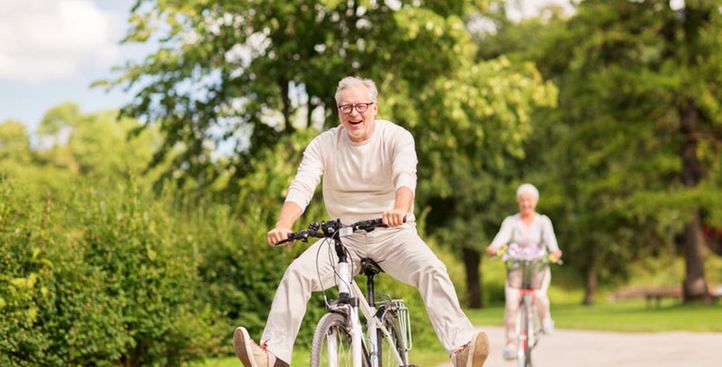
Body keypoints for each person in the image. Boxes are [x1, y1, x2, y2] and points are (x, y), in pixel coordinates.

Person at [233, 76, 489, 367]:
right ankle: (272, 356)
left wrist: (399, 209)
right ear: (338, 111)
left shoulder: (396, 137)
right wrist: (284, 224)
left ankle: (461, 348)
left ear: (374, 107)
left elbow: (405, 176)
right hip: (344, 238)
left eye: (361, 106)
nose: (354, 113)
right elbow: (302, 186)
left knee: (431, 269)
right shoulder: (323, 144)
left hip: (393, 233)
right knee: (297, 274)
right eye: (346, 108)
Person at [484, 183, 562, 361]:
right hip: (517, 269)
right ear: (518, 202)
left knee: (539, 295)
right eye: (522, 200)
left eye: (529, 200)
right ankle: (511, 344)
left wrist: (554, 252)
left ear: (535, 202)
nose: (526, 204)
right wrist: (493, 248)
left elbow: (551, 243)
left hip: (538, 268)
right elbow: (501, 238)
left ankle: (545, 319)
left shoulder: (543, 221)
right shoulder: (511, 222)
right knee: (511, 304)